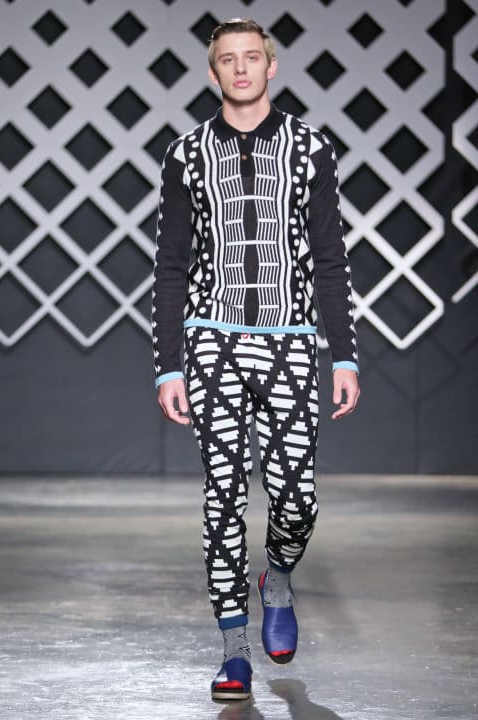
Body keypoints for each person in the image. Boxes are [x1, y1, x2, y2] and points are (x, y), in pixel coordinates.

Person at [151, 17, 360, 701]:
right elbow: (170, 265)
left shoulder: (310, 148)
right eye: (227, 60)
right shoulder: (186, 154)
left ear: (271, 67)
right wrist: (170, 364)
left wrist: (344, 356)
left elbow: (330, 260)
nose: (240, 69)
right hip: (211, 341)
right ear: (213, 72)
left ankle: (279, 576)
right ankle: (235, 650)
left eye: (251, 58)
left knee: (297, 499)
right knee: (223, 495)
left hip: (291, 340)